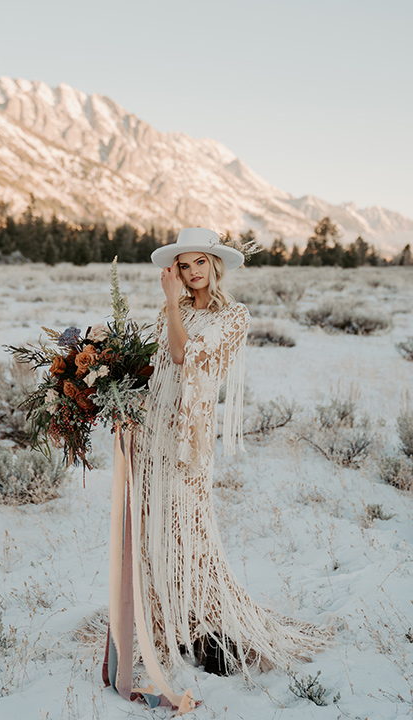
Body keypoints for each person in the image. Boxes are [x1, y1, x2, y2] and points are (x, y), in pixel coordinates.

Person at [130, 227, 334, 685]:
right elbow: (153, 365)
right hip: (154, 432)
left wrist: (168, 303)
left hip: (188, 438)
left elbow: (184, 356)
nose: (191, 272)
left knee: (190, 527)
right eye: (184, 265)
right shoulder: (178, 309)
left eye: (199, 262)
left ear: (215, 265)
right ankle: (167, 620)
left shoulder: (233, 315)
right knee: (155, 524)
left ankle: (210, 625)